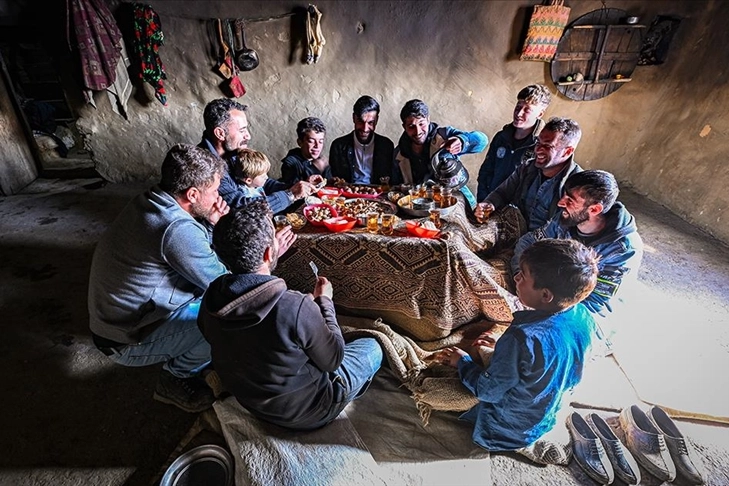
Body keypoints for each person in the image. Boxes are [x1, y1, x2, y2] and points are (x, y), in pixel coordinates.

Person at [198, 200, 384, 430]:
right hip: (309, 410)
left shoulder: (212, 295)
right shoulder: (295, 306)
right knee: (373, 347)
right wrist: (325, 302)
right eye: (273, 239)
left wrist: (269, 259)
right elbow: (333, 360)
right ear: (268, 252)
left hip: (252, 402)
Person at [88, 144, 229, 413]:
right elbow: (224, 284)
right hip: (124, 339)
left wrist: (209, 224)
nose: (218, 196)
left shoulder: (153, 199)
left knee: (211, 301)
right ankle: (174, 378)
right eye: (214, 191)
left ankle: (187, 352)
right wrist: (267, 261)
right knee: (224, 321)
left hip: (115, 320)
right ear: (193, 194)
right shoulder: (176, 229)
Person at [438, 239, 598, 464]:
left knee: (454, 384)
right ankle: (535, 433)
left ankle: (514, 442)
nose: (516, 279)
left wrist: (463, 362)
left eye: (523, 275)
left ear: (546, 296)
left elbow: (489, 391)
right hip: (547, 413)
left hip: (506, 428)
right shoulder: (583, 316)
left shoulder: (521, 338)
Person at [511, 170, 644, 348]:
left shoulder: (622, 249)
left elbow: (595, 304)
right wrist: (523, 278)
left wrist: (539, 302)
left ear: (595, 209)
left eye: (570, 200)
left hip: (586, 315)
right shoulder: (568, 218)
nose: (560, 203)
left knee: (539, 344)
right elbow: (529, 242)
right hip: (550, 291)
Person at [198, 98, 316, 218]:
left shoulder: (232, 153)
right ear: (220, 133)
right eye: (242, 130)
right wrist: (290, 195)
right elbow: (240, 208)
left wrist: (297, 186)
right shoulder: (207, 167)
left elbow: (261, 182)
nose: (248, 136)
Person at [476, 116, 582, 231]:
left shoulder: (579, 187)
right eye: (538, 143)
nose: (537, 150)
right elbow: (502, 193)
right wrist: (489, 204)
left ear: (567, 151)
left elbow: (566, 234)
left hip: (541, 246)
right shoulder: (527, 167)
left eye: (547, 146)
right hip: (510, 233)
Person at [476, 84, 551, 201]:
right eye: (518, 107)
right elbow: (485, 171)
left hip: (516, 210)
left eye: (527, 110)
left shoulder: (541, 146)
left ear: (540, 114)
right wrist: (483, 200)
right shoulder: (501, 137)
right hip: (489, 202)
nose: (519, 113)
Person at [393, 99, 488, 186]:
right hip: (418, 201)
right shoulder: (399, 154)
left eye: (421, 124)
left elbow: (482, 141)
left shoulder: (444, 136)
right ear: (404, 126)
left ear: (428, 119)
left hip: (452, 196)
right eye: (411, 126)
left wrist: (463, 141)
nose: (418, 132)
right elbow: (396, 185)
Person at [328, 95, 395, 184]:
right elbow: (334, 179)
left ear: (377, 120)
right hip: (346, 196)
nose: (365, 128)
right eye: (360, 121)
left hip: (379, 196)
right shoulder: (338, 146)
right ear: (354, 118)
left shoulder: (386, 146)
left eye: (370, 123)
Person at [280, 117, 332, 184]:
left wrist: (332, 182)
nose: (317, 146)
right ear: (300, 142)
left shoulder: (322, 161)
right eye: (311, 141)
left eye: (320, 141)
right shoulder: (290, 162)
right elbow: (292, 187)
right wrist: (314, 168)